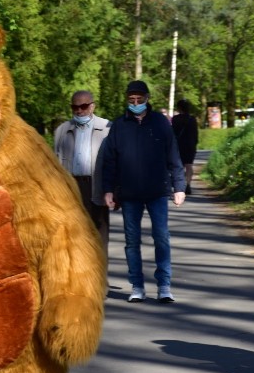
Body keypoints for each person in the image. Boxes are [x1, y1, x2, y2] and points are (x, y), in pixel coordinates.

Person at [102, 80, 186, 303]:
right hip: (129, 194)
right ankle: (137, 286)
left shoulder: (160, 123)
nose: (136, 103)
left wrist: (179, 187)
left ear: (147, 98)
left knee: (162, 238)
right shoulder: (119, 125)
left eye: (139, 99)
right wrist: (108, 190)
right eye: (131, 99)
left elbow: (174, 156)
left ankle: (164, 286)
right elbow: (110, 160)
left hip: (157, 191)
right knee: (132, 241)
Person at [54, 90, 112, 252]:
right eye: (75, 107)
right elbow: (56, 164)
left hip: (97, 185)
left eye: (84, 106)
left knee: (99, 235)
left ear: (92, 107)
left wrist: (114, 190)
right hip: (72, 187)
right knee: (74, 235)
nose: (79, 110)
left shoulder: (107, 128)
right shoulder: (62, 131)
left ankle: (100, 275)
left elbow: (114, 163)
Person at [171, 99, 198, 195]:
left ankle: (180, 186)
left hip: (179, 145)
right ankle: (188, 184)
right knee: (189, 165)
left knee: (179, 166)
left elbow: (172, 133)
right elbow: (195, 134)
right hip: (190, 145)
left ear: (179, 108)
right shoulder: (192, 119)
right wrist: (195, 144)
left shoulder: (175, 119)